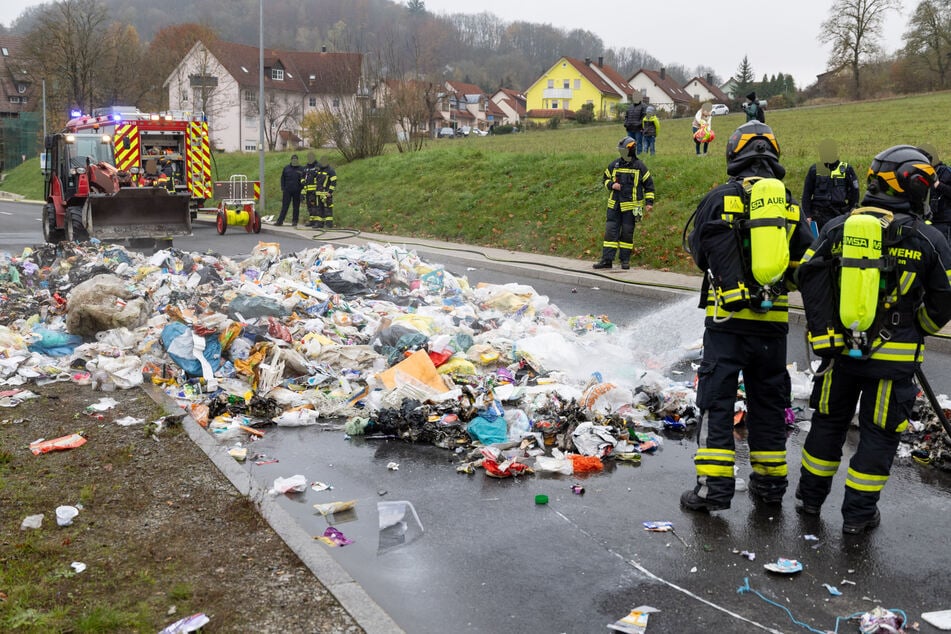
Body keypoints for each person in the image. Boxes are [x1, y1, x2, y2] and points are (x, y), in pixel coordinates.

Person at [795, 145, 951, 534]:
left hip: (839, 356)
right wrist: (918, 326)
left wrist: (827, 331)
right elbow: (944, 300)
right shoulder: (928, 238)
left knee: (828, 425)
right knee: (878, 436)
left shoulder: (837, 228)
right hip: (892, 362)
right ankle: (858, 517)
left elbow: (808, 275)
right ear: (914, 186)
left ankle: (808, 501)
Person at [681, 121, 814, 513]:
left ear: (733, 154)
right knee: (770, 405)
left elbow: (700, 251)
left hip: (726, 324)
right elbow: (807, 261)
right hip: (773, 326)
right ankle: (770, 489)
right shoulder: (789, 204)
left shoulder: (721, 197)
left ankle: (714, 491)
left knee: (718, 403)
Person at [592, 136, 655, 270]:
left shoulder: (640, 167)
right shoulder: (614, 165)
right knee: (610, 233)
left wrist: (649, 203)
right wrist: (611, 184)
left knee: (627, 234)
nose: (621, 153)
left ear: (630, 150)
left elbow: (649, 186)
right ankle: (607, 260)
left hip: (632, 208)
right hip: (614, 206)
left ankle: (624, 261)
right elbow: (605, 179)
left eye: (623, 150)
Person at [801, 139, 860, 232]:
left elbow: (855, 194)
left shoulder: (846, 169)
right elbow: (806, 195)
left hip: (839, 215)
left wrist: (850, 213)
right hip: (817, 215)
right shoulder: (814, 169)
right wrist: (807, 216)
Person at [923, 144, 951, 242]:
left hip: (945, 223)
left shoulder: (946, 172)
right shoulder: (923, 174)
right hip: (930, 221)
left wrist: (939, 185)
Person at [275, 154, 303, 227]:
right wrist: (283, 188)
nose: (294, 161)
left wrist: (302, 190)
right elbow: (282, 178)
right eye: (293, 159)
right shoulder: (286, 168)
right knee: (285, 206)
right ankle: (280, 221)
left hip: (297, 191)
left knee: (296, 207)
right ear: (291, 160)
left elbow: (304, 180)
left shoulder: (301, 169)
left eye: (295, 160)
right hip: (287, 191)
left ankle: (295, 221)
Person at [311, 156, 338, 229]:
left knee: (328, 209)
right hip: (319, 194)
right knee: (319, 209)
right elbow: (316, 181)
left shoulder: (330, 171)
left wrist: (330, 192)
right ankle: (320, 224)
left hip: (326, 194)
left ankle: (328, 224)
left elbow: (333, 182)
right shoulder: (319, 171)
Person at [301, 152, 320, 227]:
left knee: (314, 206)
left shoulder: (317, 166)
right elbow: (302, 176)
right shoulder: (306, 167)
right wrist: (303, 182)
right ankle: (311, 221)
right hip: (307, 191)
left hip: (315, 191)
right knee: (309, 206)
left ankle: (316, 221)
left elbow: (320, 178)